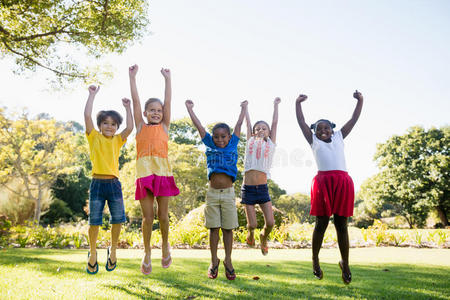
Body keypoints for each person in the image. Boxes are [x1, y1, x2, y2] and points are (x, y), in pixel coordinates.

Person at [295, 90, 363, 284]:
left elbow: (354, 118)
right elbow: (301, 122)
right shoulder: (313, 140)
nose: (323, 130)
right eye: (318, 128)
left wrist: (360, 100)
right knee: (321, 224)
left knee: (342, 225)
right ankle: (315, 260)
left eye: (326, 128)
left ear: (332, 130)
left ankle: (345, 263)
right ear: (314, 132)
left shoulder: (340, 136)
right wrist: (298, 103)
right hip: (323, 183)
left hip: (342, 182)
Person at [185, 99, 247, 280]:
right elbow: (199, 127)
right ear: (213, 138)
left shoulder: (233, 144)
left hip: (228, 193)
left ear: (229, 137)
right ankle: (214, 260)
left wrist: (243, 108)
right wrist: (190, 109)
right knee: (213, 228)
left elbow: (239, 124)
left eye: (223, 136)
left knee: (228, 229)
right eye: (217, 136)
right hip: (212, 193)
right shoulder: (210, 145)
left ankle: (228, 260)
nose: (220, 139)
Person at [129, 65, 180, 275]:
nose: (157, 113)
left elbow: (168, 102)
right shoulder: (140, 127)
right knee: (148, 217)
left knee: (164, 216)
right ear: (145, 113)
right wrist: (132, 78)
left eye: (159, 111)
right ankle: (147, 252)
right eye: (152, 110)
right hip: (145, 175)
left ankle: (166, 247)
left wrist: (167, 79)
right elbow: (136, 102)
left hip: (163, 174)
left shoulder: (165, 126)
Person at [84, 85, 133, 274]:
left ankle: (113, 250)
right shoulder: (94, 137)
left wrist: (128, 108)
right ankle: (93, 252)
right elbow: (87, 116)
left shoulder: (117, 140)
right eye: (106, 123)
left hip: (114, 184)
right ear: (100, 125)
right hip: (97, 184)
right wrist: (92, 95)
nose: (109, 126)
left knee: (117, 219)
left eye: (113, 124)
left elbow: (130, 127)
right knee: (94, 221)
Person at [241, 97, 280, 256]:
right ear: (253, 132)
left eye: (264, 128)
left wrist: (276, 105)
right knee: (252, 225)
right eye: (257, 129)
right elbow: (247, 124)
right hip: (248, 189)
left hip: (262, 189)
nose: (260, 130)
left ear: (269, 132)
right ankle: (250, 234)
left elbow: (275, 123)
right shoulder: (250, 141)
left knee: (270, 222)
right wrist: (245, 109)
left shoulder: (270, 144)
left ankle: (263, 238)